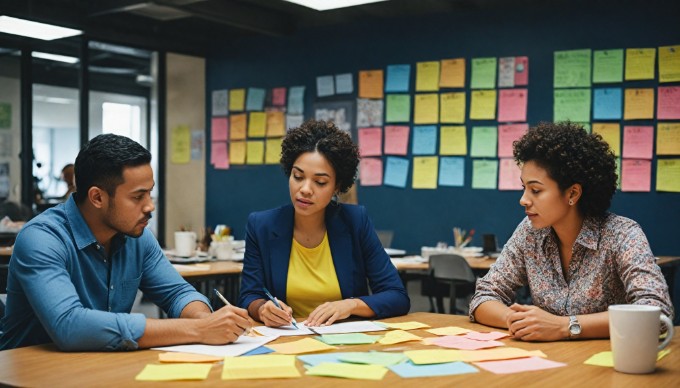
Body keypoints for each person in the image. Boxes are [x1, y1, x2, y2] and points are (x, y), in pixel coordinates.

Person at [0, 134, 251, 351]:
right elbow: (70, 326)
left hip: (101, 367)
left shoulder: (137, 236)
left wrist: (205, 321)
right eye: (138, 196)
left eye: (150, 192)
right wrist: (197, 329)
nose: (150, 206)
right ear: (97, 197)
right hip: (32, 375)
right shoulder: (42, 238)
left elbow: (177, 293)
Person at [469, 122, 673, 341]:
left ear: (573, 193)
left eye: (536, 190)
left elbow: (658, 313)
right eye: (524, 188)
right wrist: (520, 321)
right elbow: (483, 297)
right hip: (549, 361)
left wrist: (565, 326)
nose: (523, 200)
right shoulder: (529, 232)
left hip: (608, 364)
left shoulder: (622, 235)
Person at [238, 120, 410, 327]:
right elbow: (250, 295)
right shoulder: (261, 225)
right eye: (298, 176)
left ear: (337, 186)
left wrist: (350, 305)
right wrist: (262, 309)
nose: (305, 189)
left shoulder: (355, 222)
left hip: (344, 341)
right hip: (286, 341)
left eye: (320, 182)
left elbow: (397, 296)